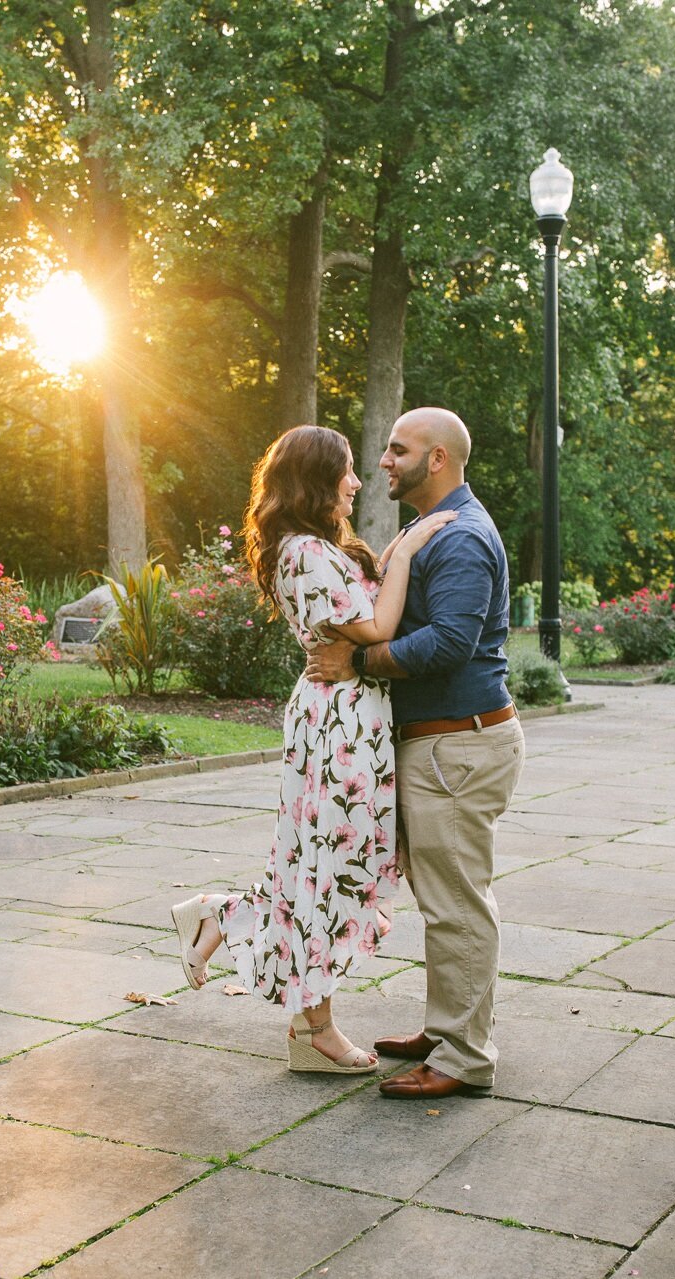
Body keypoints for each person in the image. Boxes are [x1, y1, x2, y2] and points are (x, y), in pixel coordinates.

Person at [170, 425, 455, 1074]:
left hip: (350, 720)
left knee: (320, 866)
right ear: (316, 480)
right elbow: (378, 625)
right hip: (337, 727)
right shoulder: (302, 553)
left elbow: (363, 619)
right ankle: (311, 1022)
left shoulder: (318, 549)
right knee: (328, 870)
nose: (357, 482)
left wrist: (389, 557)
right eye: (347, 471)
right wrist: (408, 549)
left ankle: (236, 939)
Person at [304, 406, 523, 1101]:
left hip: (458, 744)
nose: (383, 462)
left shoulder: (459, 538)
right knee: (446, 900)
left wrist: (358, 658)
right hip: (441, 746)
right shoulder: (430, 528)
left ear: (437, 459)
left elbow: (447, 644)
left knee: (458, 903)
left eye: (398, 450)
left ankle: (464, 1056)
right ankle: (448, 1028)